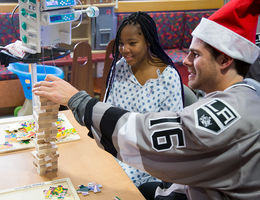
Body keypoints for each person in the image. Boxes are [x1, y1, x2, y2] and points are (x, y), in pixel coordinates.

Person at [32, 0, 260, 199]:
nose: (187, 61)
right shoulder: (243, 96)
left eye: (196, 54)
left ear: (225, 60)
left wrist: (77, 99)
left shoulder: (230, 114)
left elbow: (151, 138)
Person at [103, 11, 184, 189]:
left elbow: (170, 136)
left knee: (111, 185)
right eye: (121, 44)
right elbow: (107, 110)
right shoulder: (120, 68)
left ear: (148, 41)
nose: (124, 50)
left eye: (132, 43)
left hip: (149, 157)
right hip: (116, 147)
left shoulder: (168, 77)